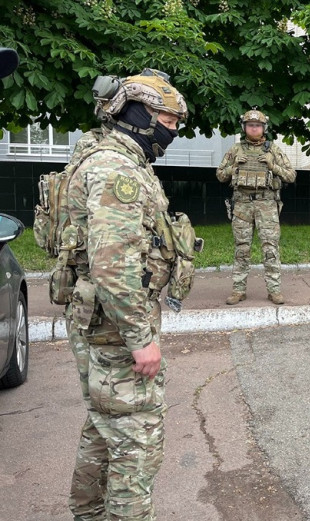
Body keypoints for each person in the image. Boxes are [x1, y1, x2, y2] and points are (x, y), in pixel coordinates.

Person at [65, 69, 192, 520]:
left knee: (104, 428)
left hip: (102, 320)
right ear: (139, 115)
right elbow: (112, 265)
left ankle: (89, 514)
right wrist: (140, 339)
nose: (171, 132)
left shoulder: (111, 157)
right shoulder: (116, 169)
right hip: (116, 328)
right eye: (168, 121)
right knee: (137, 439)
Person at [216, 109, 297, 305]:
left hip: (266, 204)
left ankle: (274, 290)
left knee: (270, 247)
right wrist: (234, 167)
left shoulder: (273, 150)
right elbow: (220, 175)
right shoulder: (236, 150)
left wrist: (272, 166)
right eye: (250, 125)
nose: (254, 128)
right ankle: (238, 290)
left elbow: (291, 175)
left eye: (258, 125)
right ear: (244, 127)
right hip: (242, 205)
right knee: (242, 248)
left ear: (264, 128)